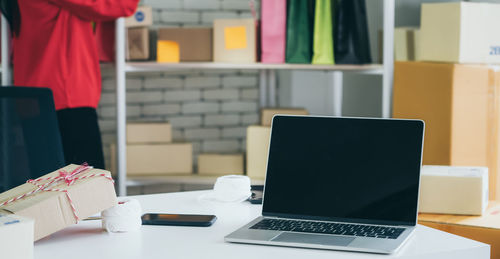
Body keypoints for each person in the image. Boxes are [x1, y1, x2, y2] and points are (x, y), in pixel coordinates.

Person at [0, 0, 139, 169]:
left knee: (46, 186)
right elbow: (121, 4)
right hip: (65, 97)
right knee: (87, 187)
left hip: (35, 96)